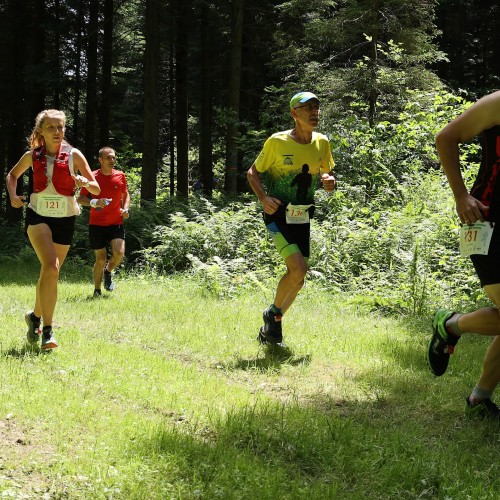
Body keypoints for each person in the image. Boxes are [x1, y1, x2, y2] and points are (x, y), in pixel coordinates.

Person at [427, 90, 500, 420]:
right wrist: (460, 195)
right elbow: (446, 138)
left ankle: (478, 401)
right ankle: (451, 324)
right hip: (487, 221)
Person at [247, 91, 336, 346]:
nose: (315, 111)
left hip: (303, 215)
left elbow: (328, 176)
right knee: (298, 268)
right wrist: (263, 198)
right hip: (277, 214)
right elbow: (252, 172)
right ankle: (273, 314)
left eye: (317, 106)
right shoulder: (277, 142)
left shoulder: (322, 143)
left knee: (298, 276)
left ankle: (272, 323)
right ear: (294, 114)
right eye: (308, 107)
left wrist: (330, 182)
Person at [6, 109, 100, 350]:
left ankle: (34, 316)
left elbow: (97, 188)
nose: (57, 132)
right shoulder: (31, 156)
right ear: (41, 132)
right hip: (38, 217)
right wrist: (13, 196)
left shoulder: (74, 155)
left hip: (65, 218)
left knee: (50, 275)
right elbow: (12, 175)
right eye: (51, 128)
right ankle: (48, 330)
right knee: (51, 266)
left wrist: (84, 182)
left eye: (61, 127)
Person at [77, 147, 130, 297]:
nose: (112, 161)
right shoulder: (92, 177)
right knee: (100, 259)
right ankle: (97, 290)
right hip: (96, 224)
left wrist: (125, 208)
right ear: (100, 160)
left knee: (119, 253)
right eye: (108, 158)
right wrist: (94, 202)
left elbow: (125, 194)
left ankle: (108, 271)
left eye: (113, 158)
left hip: (115, 222)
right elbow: (80, 198)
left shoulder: (120, 176)